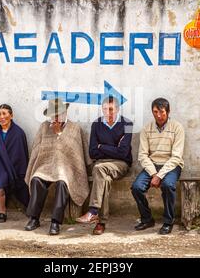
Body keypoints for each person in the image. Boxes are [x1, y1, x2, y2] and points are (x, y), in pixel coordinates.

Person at [24, 98, 91, 235]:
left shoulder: (74, 128)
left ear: (65, 112)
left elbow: (74, 152)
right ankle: (34, 218)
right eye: (53, 114)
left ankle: (55, 222)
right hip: (46, 166)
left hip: (67, 168)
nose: (56, 117)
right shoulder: (44, 127)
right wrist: (34, 167)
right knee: (36, 179)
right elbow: (37, 149)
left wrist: (59, 133)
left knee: (62, 182)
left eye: (59, 113)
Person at [76, 96, 133, 235]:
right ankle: (101, 223)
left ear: (118, 109)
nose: (108, 112)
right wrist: (113, 148)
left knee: (98, 169)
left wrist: (102, 146)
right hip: (101, 165)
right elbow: (92, 152)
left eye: (111, 109)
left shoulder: (127, 124)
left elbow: (123, 152)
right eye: (105, 109)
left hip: (121, 165)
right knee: (104, 179)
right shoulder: (96, 124)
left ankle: (93, 210)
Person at [131, 98, 185, 235]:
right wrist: (154, 174)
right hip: (152, 165)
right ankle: (147, 219)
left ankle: (168, 222)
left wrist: (160, 175)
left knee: (168, 186)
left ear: (168, 111)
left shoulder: (177, 128)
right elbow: (142, 155)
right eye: (155, 112)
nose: (159, 116)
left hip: (171, 165)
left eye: (162, 112)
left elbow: (176, 157)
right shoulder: (146, 129)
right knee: (136, 188)